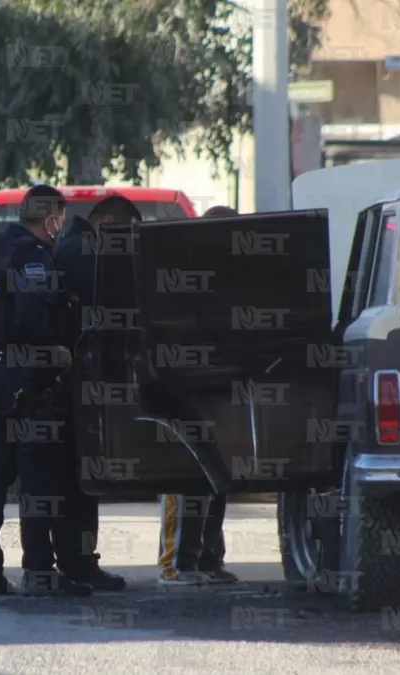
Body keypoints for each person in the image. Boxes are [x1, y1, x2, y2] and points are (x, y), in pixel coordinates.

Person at [0, 184, 92, 597]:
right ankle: (40, 572)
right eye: (59, 218)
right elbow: (31, 317)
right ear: (52, 220)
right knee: (37, 481)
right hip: (31, 382)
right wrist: (53, 353)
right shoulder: (34, 260)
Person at [51, 195, 143, 591]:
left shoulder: (71, 244)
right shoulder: (82, 251)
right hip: (77, 379)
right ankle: (79, 562)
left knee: (77, 477)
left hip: (75, 377)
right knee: (79, 478)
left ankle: (77, 559)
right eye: (124, 235)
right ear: (106, 222)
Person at [157, 204, 241, 586]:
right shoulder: (183, 275)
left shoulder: (225, 277)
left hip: (216, 391)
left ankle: (207, 558)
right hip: (183, 392)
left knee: (215, 479)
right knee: (185, 476)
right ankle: (176, 564)